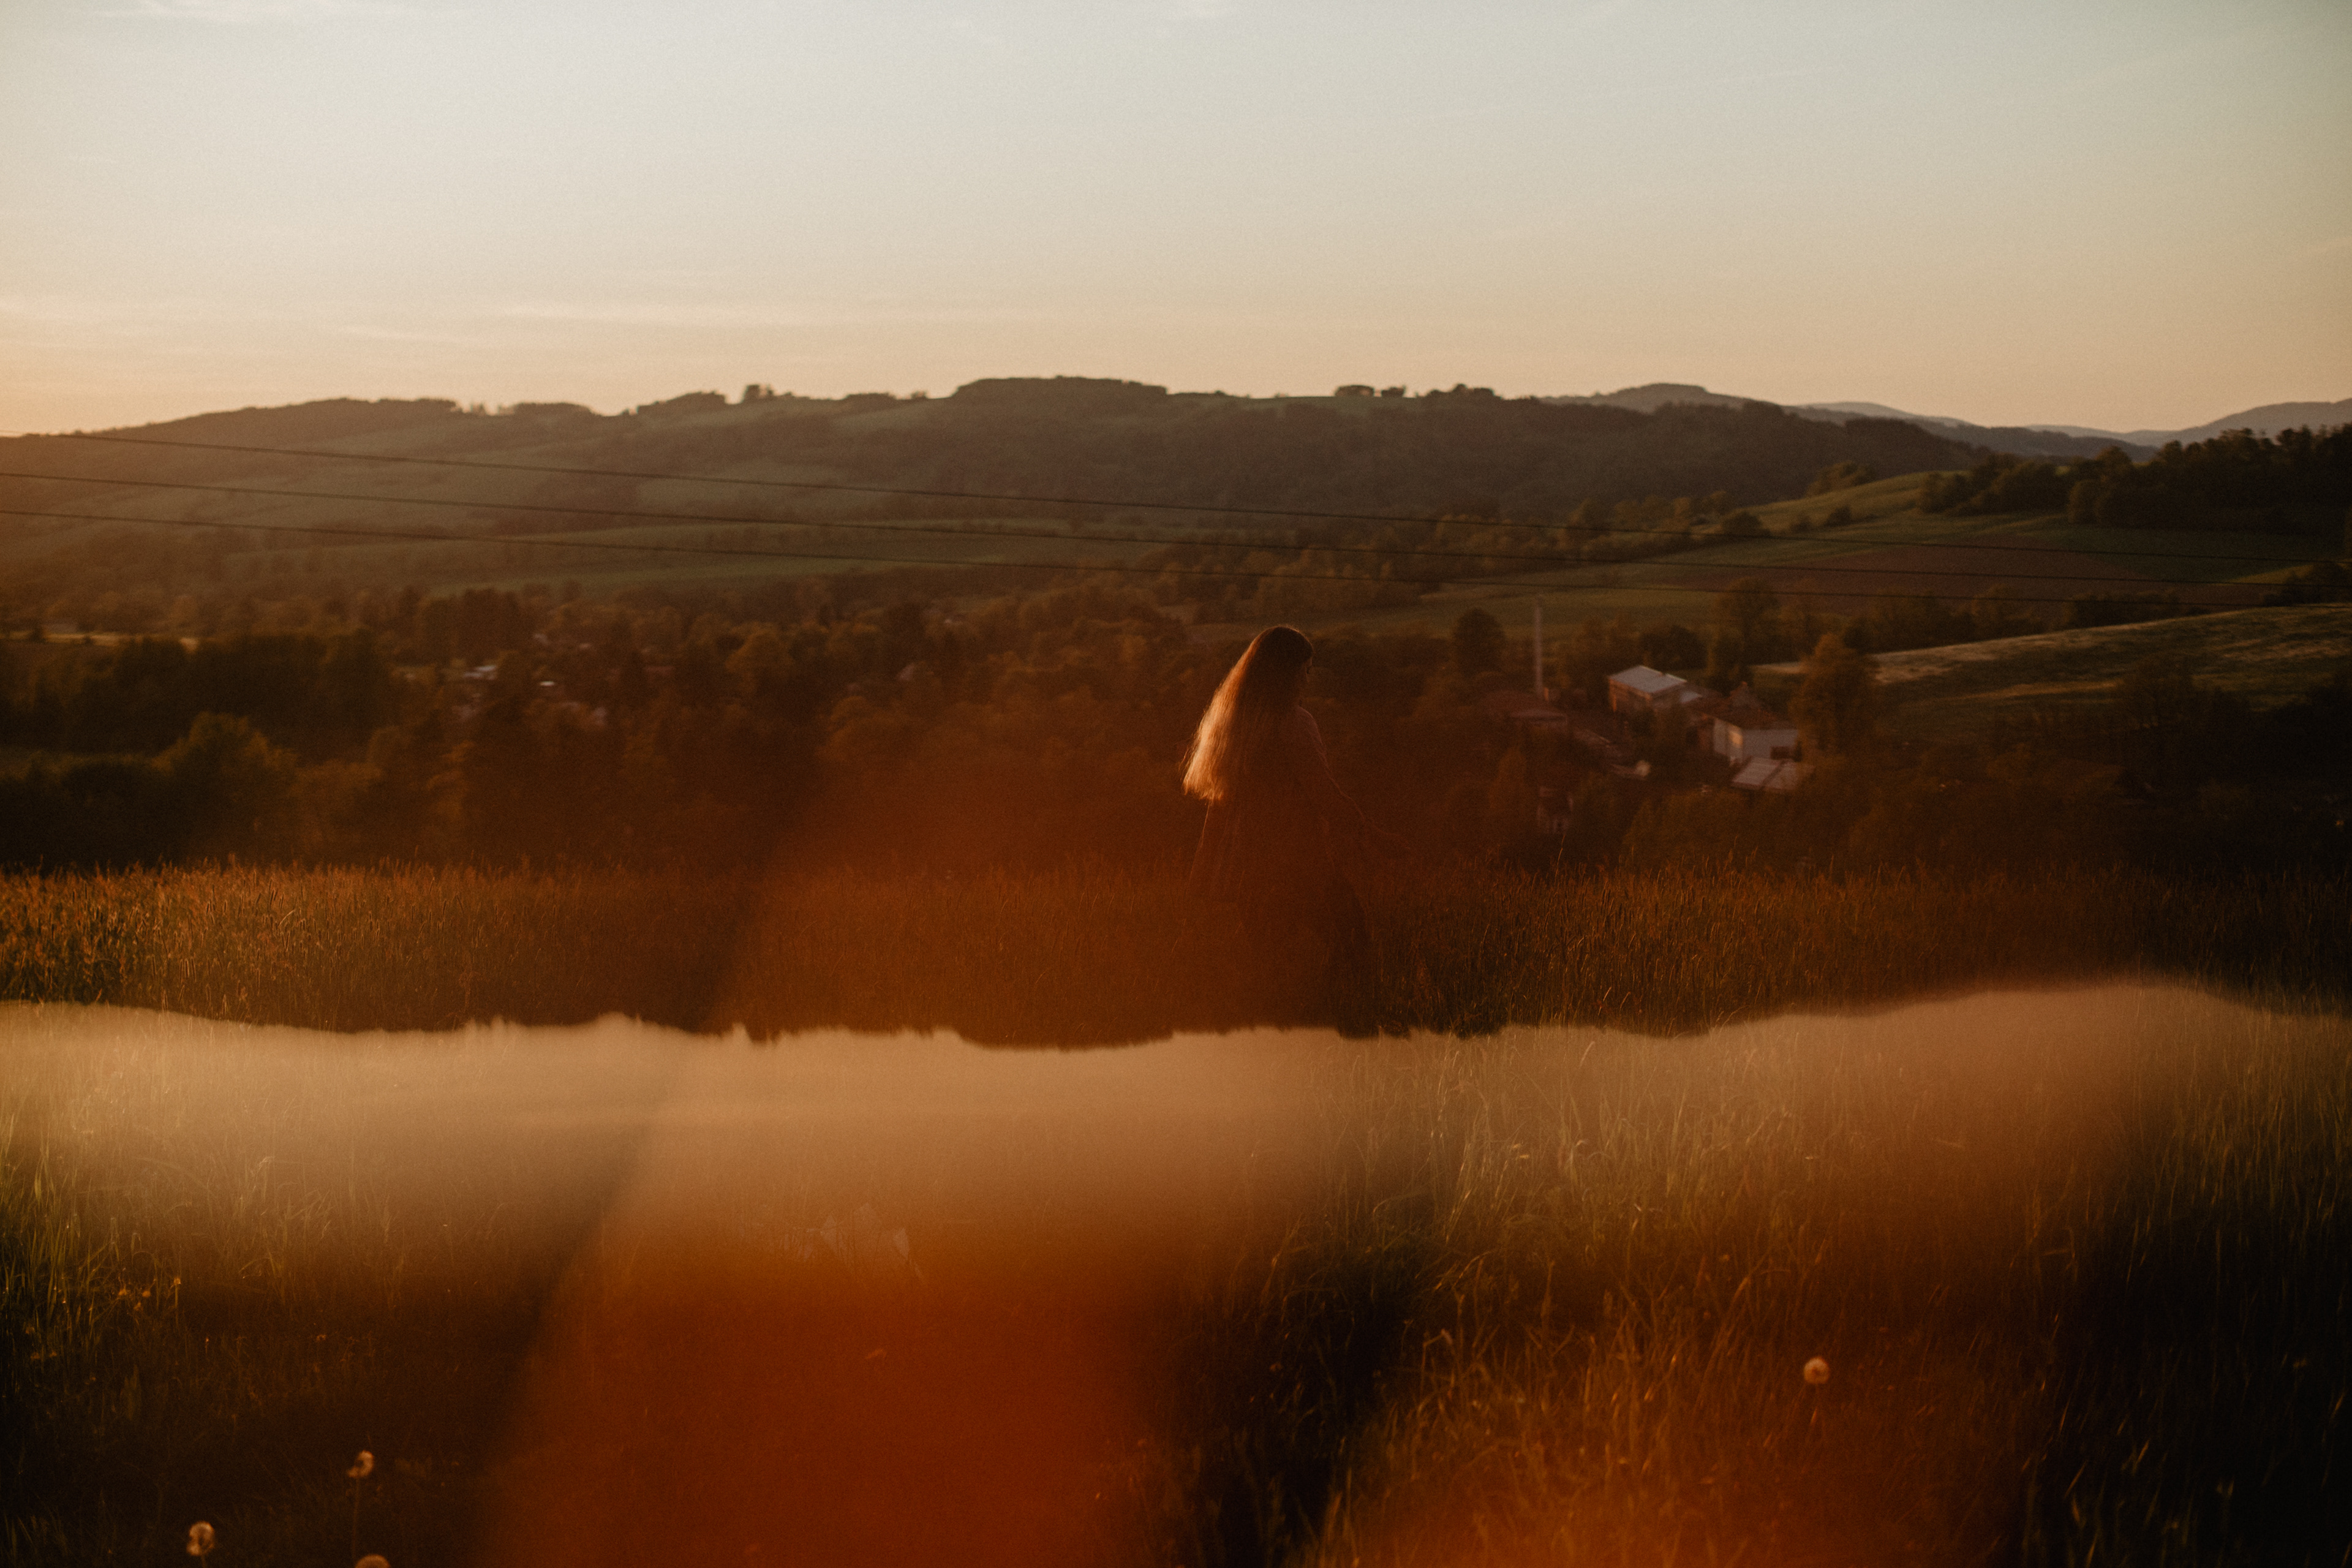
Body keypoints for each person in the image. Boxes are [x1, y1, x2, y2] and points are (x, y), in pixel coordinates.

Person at [1182, 625, 1406, 1027]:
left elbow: (1218, 810)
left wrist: (1205, 873)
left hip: (1252, 873)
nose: (1306, 680)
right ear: (1285, 674)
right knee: (1354, 944)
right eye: (1304, 671)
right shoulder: (1294, 724)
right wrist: (1377, 838)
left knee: (1271, 973)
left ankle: (1281, 1040)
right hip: (1302, 864)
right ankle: (1342, 1027)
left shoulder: (1233, 727)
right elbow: (1324, 793)